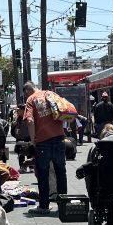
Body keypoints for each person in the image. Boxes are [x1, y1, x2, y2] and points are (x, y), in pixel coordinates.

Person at [23, 81, 67, 213]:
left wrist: (33, 140)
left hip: (43, 141)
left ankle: (44, 206)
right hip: (59, 138)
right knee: (61, 172)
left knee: (43, 173)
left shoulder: (31, 99)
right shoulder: (51, 94)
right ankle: (63, 204)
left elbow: (30, 121)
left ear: (27, 91)